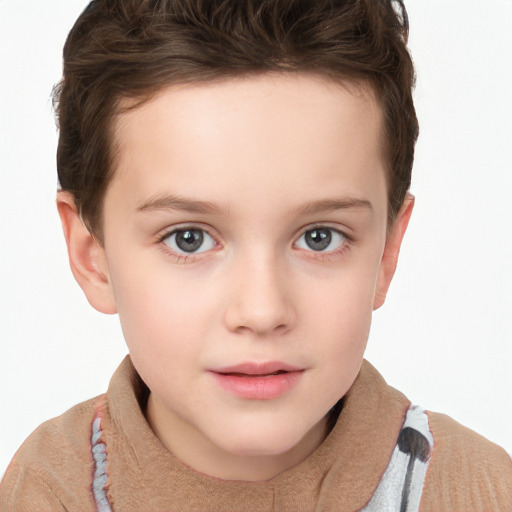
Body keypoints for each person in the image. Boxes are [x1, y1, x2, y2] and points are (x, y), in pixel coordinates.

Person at [1, 0, 511, 510]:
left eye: (320, 237)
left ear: (386, 253)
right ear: (93, 256)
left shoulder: (481, 491)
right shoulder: (47, 490)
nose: (262, 311)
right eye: (189, 239)